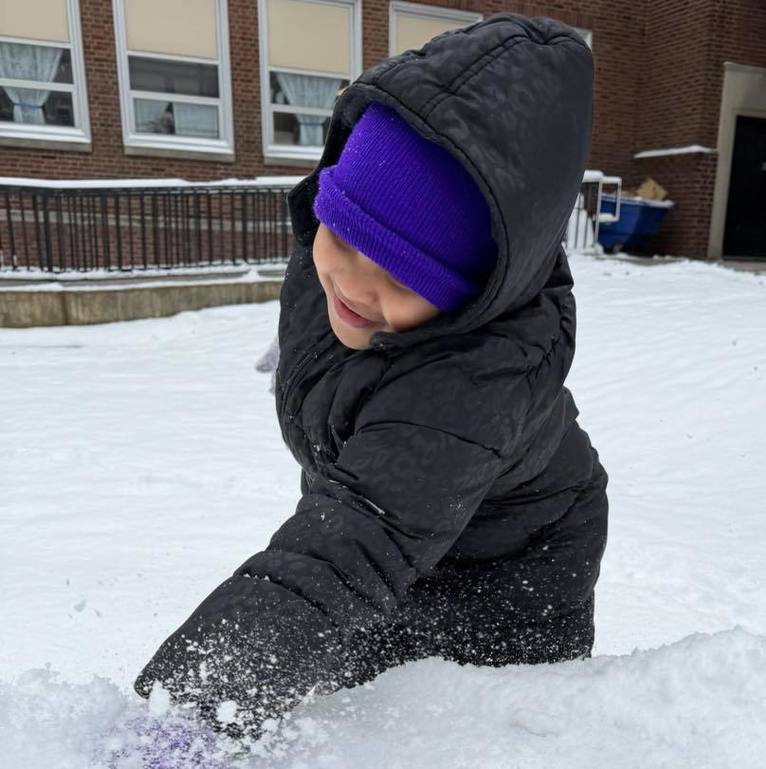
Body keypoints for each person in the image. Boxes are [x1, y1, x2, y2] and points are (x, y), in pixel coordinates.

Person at [134, 12, 607, 741]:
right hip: (411, 525)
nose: (351, 283)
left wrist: (197, 713)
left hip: (514, 576)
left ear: (472, 293)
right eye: (343, 235)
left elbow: (343, 550)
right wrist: (318, 358)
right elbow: (337, 280)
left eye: (400, 273)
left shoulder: (469, 390)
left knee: (437, 731)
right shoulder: (340, 271)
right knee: (341, 662)